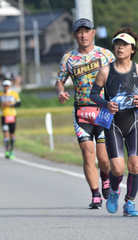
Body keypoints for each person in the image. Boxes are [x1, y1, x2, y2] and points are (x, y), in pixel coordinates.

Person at [55, 18, 114, 209]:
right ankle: (95, 195)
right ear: (74, 35)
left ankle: (106, 177)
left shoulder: (106, 55)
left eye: (86, 31)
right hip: (81, 112)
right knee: (88, 154)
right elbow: (60, 81)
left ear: (93, 33)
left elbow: (119, 76)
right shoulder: (69, 58)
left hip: (103, 111)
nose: (83, 35)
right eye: (79, 32)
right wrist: (60, 92)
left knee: (104, 159)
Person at [90, 27, 138, 216]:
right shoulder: (105, 70)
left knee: (135, 165)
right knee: (117, 169)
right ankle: (114, 192)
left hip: (134, 123)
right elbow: (93, 94)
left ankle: (129, 203)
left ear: (132, 49)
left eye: (124, 45)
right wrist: (106, 103)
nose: (120, 47)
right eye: (117, 44)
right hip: (113, 124)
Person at [0, 79, 21, 159]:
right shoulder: (0, 94)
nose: (5, 87)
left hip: (12, 115)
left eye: (7, 85)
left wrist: (10, 105)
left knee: (12, 134)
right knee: (5, 133)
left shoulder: (14, 93)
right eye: (4, 86)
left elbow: (19, 103)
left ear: (10, 86)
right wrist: (2, 104)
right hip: (4, 116)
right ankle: (6, 150)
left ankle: (12, 150)